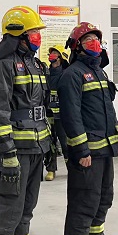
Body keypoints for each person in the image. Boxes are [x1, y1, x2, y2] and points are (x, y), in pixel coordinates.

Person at [0, 6, 51, 235]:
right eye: (32, 32)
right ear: (17, 35)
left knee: (26, 211)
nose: (37, 37)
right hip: (14, 152)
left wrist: (48, 146)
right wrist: (7, 152)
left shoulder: (35, 64)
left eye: (37, 32)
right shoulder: (2, 65)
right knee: (7, 215)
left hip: (36, 149)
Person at [58, 22, 118, 235]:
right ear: (77, 47)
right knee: (84, 202)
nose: (95, 44)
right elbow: (71, 116)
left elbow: (107, 109)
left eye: (97, 39)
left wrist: (116, 139)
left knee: (104, 197)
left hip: (104, 149)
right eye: (88, 40)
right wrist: (81, 150)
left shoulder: (99, 72)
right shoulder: (72, 74)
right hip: (88, 153)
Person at [43, 44, 70, 181]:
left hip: (62, 115)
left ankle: (71, 168)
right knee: (50, 143)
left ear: (61, 57)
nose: (51, 56)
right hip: (49, 114)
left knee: (65, 143)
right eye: (51, 54)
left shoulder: (67, 74)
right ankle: (51, 169)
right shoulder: (47, 73)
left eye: (54, 54)